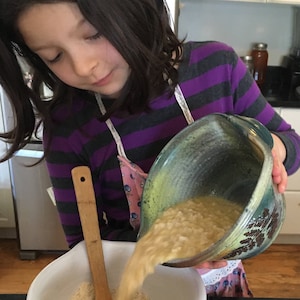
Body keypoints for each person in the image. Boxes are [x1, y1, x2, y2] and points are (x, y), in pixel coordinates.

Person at [0, 0, 299, 297]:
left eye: (93, 34)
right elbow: (86, 242)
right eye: (54, 56)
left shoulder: (218, 69)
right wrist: (173, 250)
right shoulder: (67, 129)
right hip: (148, 287)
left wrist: (275, 150)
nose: (83, 66)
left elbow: (291, 143)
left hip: (225, 285)